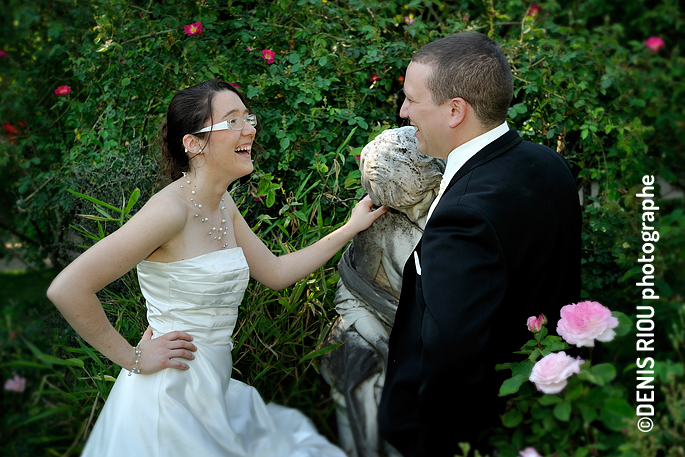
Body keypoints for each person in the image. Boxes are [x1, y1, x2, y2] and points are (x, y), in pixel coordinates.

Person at [46, 79, 387, 457]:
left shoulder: (222, 203)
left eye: (248, 118)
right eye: (232, 121)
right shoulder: (169, 211)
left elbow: (275, 273)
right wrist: (133, 357)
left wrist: (350, 228)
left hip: (212, 391)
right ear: (193, 144)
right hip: (169, 402)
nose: (250, 129)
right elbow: (68, 288)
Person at [377, 33, 581, 456]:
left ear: (455, 110)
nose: (403, 112)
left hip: (470, 436)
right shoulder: (548, 164)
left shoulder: (464, 215)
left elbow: (451, 354)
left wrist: (433, 445)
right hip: (535, 418)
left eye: (412, 100)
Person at [320, 126, 443, 457]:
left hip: (434, 335)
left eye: (418, 202)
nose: (414, 214)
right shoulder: (383, 223)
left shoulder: (456, 216)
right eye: (404, 206)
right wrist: (385, 345)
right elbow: (354, 292)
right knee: (356, 360)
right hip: (382, 327)